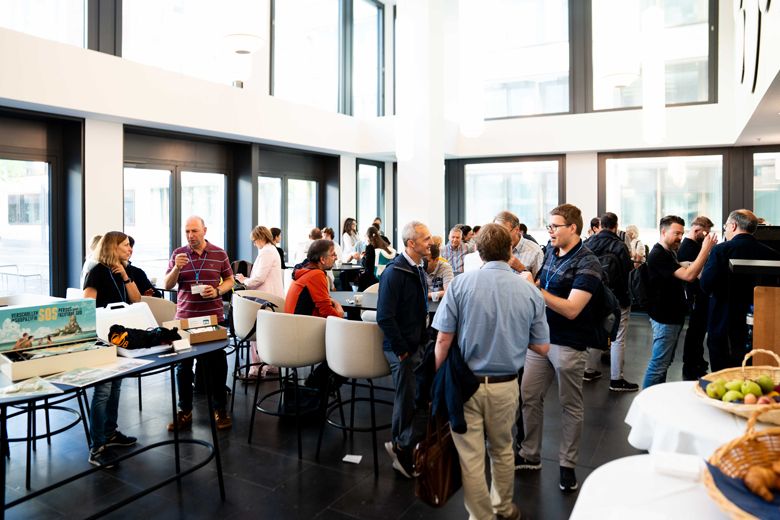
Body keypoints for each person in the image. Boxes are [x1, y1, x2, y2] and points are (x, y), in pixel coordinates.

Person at [432, 223, 550, 520]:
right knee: (502, 449)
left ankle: (481, 516)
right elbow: (542, 347)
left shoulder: (460, 285)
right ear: (510, 251)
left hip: (464, 385)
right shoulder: (530, 291)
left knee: (471, 457)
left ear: (478, 252)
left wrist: (435, 381)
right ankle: (503, 508)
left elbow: (443, 340)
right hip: (506, 385)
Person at [518, 204, 601, 493]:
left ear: (573, 228)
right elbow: (542, 283)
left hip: (569, 342)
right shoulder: (551, 252)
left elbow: (572, 309)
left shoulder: (589, 262)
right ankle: (530, 454)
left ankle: (567, 464)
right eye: (549, 226)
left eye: (555, 226)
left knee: (570, 405)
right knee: (529, 396)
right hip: (540, 339)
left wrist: (535, 290)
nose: (550, 231)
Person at [164, 216, 235, 431]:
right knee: (183, 367)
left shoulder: (219, 253)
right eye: (187, 231)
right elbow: (167, 285)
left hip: (212, 318)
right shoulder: (178, 254)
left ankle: (220, 409)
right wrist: (176, 269)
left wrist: (218, 291)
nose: (190, 235)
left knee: (217, 365)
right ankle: (184, 412)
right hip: (184, 319)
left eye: (194, 231)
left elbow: (230, 280)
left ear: (204, 230)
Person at [377, 221, 432, 478]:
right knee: (406, 400)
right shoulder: (395, 272)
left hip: (416, 345)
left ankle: (403, 446)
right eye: (426, 239)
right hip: (403, 350)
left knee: (416, 399)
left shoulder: (417, 268)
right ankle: (401, 451)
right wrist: (401, 350)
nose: (430, 242)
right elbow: (385, 316)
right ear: (411, 243)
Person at [82, 231, 141, 467]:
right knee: (103, 391)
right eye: (125, 245)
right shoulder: (97, 271)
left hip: (120, 337)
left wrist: (125, 276)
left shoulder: (122, 271)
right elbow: (87, 305)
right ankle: (97, 447)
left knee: (115, 387)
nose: (130, 249)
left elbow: (136, 299)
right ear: (112, 247)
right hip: (102, 339)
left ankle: (110, 433)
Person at [700, 210, 780, 371]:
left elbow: (706, 284)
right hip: (761, 321)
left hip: (724, 320)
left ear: (733, 225)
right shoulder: (772, 253)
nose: (725, 230)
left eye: (726, 226)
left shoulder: (721, 250)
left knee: (723, 374)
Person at [642, 215, 716, 388]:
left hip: (672, 316)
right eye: (676, 233)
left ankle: (656, 396)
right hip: (664, 317)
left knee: (664, 363)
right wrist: (705, 249)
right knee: (658, 365)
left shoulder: (669, 252)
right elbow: (689, 276)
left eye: (681, 233)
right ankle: (647, 399)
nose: (680, 237)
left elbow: (682, 270)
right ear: (663, 232)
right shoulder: (658, 254)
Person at [582, 212, 638, 392]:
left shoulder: (588, 243)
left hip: (592, 295)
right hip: (616, 298)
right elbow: (628, 271)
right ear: (615, 226)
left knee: (595, 331)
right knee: (618, 338)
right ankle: (616, 379)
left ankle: (589, 371)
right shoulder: (619, 245)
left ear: (599, 226)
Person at [236, 226, 284, 378]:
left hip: (265, 299)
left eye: (255, 240)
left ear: (261, 238)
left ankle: (256, 370)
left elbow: (259, 278)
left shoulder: (266, 252)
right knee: (268, 333)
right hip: (271, 297)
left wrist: (244, 281)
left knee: (256, 333)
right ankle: (271, 365)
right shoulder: (271, 250)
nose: (254, 243)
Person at [677, 216, 715, 380]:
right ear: (697, 230)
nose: (707, 236)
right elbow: (696, 273)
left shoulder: (696, 245)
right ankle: (691, 365)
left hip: (700, 294)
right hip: (694, 294)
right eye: (705, 233)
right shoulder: (687, 247)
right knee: (695, 332)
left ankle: (697, 361)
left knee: (698, 331)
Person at [284, 239, 344, 318]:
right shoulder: (316, 275)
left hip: (291, 321)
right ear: (322, 259)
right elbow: (327, 312)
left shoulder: (305, 270)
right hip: (301, 323)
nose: (336, 258)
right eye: (333, 255)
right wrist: (340, 312)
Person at [494, 210, 544, 277]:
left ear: (517, 230)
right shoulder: (494, 248)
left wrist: (521, 268)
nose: (501, 237)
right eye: (497, 233)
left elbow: (539, 282)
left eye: (505, 233)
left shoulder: (535, 251)